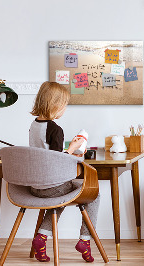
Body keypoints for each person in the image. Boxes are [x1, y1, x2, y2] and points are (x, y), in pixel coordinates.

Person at [29, 81, 99, 263]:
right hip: (52, 186)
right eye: (65, 105)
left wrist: (68, 149)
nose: (65, 109)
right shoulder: (55, 129)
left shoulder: (34, 125)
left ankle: (41, 238)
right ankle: (85, 240)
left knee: (59, 198)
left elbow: (46, 154)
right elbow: (56, 161)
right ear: (56, 105)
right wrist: (73, 149)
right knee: (94, 194)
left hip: (35, 186)